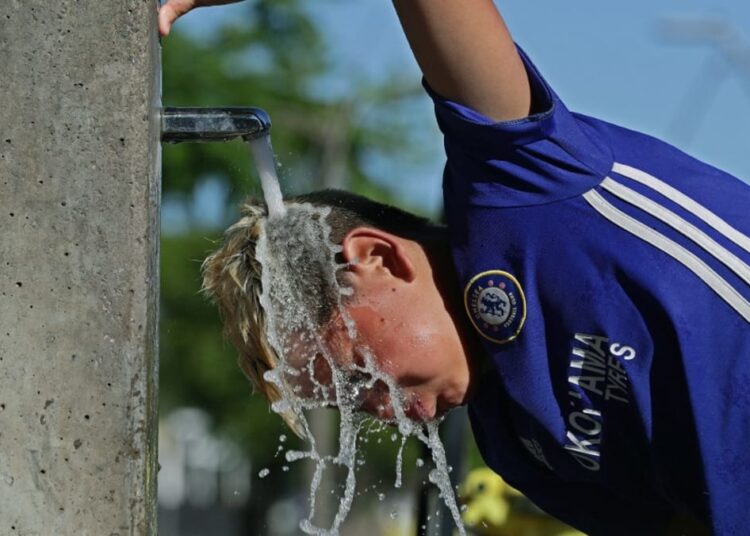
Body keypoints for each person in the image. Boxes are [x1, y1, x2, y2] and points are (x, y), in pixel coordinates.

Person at [161, 1, 750, 534]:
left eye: (359, 376)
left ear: (377, 259)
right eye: (353, 405)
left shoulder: (519, 188)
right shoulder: (518, 445)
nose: (387, 412)